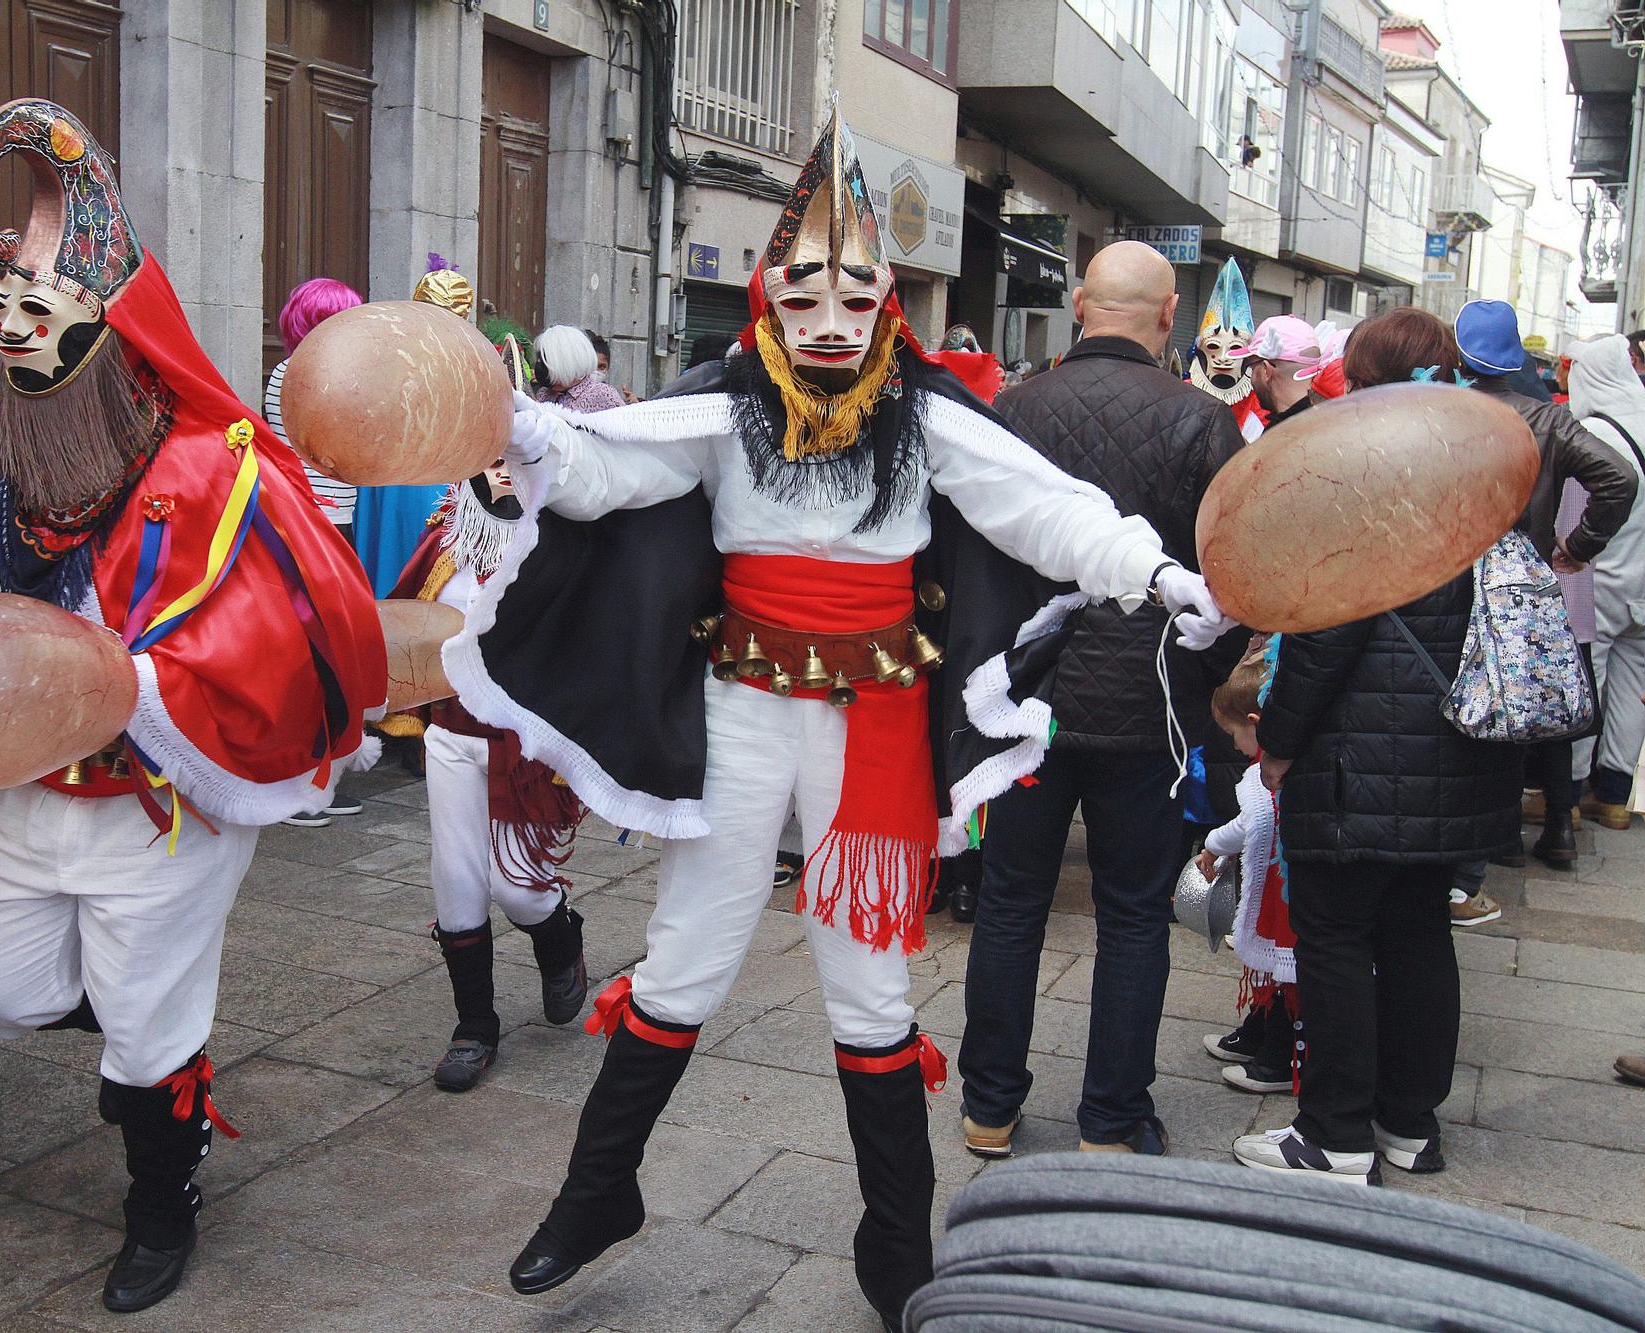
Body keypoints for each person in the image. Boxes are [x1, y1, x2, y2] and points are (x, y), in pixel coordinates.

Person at [454, 106, 1230, 1329]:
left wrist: (1155, 573)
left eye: (853, 300)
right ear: (768, 296)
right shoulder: (719, 404)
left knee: (867, 989)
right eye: (804, 297)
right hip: (741, 709)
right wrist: (520, 430)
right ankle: (598, 1190)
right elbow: (611, 467)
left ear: (885, 306)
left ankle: (892, 1245)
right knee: (686, 956)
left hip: (873, 723)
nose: (827, 322)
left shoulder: (925, 417)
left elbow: (1046, 509)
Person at [0, 100, 383, 1313]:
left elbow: (294, 630)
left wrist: (121, 683)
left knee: (145, 1035)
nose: (20, 341)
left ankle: (162, 1187)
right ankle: (155, 1045)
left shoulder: (213, 468)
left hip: (158, 803)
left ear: (112, 318)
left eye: (45, 314)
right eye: (3, 315)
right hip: (21, 798)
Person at [959, 240, 1245, 1163]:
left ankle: (990, 1106)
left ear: (1079, 305)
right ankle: (1112, 1119)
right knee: (1131, 911)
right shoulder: (1204, 423)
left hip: (1027, 703)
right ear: (1169, 318)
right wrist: (1208, 688)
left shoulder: (1011, 408)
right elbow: (1230, 577)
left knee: (1009, 901)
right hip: (1149, 705)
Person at [1233, 307, 1521, 1184]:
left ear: (1361, 377)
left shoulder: (1356, 474)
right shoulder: (1485, 472)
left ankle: (1335, 1132)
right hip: (1453, 751)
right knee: (1418, 935)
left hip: (1357, 756)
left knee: (1334, 937)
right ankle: (1408, 1123)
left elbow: (1324, 637)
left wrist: (1277, 739)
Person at [388, 458, 590, 1091]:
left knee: (520, 889)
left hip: (526, 739)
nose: (505, 471)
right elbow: (405, 625)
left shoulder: (565, 538)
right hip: (452, 731)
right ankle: (474, 1026)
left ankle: (559, 936)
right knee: (456, 882)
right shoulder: (447, 534)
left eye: (516, 458)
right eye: (492, 460)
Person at [1456, 299, 1636, 874]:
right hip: (1524, 587)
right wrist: (1577, 547)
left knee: (1467, 708)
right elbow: (1618, 478)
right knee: (1532, 703)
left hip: (1449, 586)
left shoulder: (1438, 411)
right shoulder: (1549, 419)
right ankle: (1554, 828)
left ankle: (1494, 839)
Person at [263, 277, 369, 829]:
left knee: (326, 649)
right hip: (312, 522)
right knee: (316, 651)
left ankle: (310, 773)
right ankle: (303, 782)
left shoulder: (304, 373)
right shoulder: (306, 376)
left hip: (324, 518)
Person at [1198, 642, 1301, 1097]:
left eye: (1235, 735)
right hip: (1284, 887)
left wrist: (1211, 846)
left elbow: (1249, 824)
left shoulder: (1268, 771)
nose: (1235, 747)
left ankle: (1279, 1059)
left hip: (1287, 896)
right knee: (1276, 972)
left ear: (1256, 725)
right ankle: (1260, 1036)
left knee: (1286, 975)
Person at [1563, 335, 1645, 832]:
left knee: (1585, 683)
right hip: (1644, 583)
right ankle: (1614, 798)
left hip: (1601, 582)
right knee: (1633, 684)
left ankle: (1569, 794)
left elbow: (1573, 519)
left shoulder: (1593, 433)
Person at [352, 255, 465, 596]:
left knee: (393, 554)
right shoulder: (468, 360)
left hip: (398, 476)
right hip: (411, 475)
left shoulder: (388, 351)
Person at [1186, 258, 1264, 441]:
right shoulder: (1184, 394)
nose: (1223, 358)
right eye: (1213, 346)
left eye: (1235, 348)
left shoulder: (1260, 401)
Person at [1228, 314, 1338, 428]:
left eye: (1251, 367)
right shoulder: (1332, 422)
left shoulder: (1284, 435)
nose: (1251, 379)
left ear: (1266, 371)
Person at [533, 325, 625, 413]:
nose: (541, 367)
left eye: (546, 361)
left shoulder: (602, 394)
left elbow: (625, 425)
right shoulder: (543, 394)